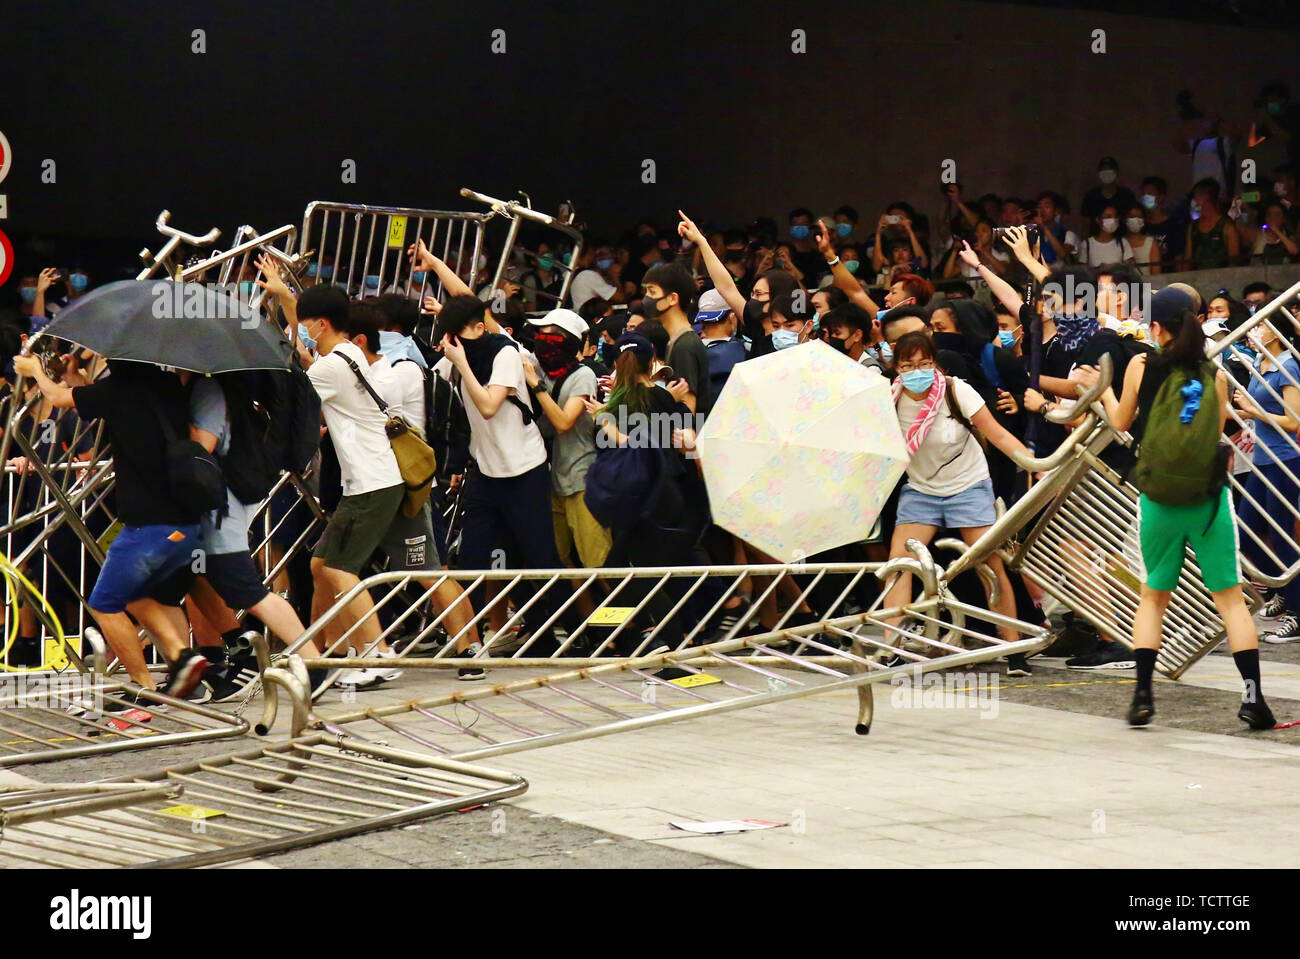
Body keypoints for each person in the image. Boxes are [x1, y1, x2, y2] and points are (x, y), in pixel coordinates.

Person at [1079, 301, 1275, 730]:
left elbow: (1121, 421)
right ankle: (1253, 700)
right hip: (1207, 501)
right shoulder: (1216, 377)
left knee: (1153, 597)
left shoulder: (1140, 365)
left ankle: (1143, 695)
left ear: (1155, 328)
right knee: (1230, 601)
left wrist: (1103, 389)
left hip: (1159, 498)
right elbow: (1221, 430)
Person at [13, 352, 209, 699]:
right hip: (184, 520)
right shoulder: (165, 385)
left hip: (146, 525)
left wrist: (35, 371)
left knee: (104, 602)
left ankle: (143, 685)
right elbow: (92, 398)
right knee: (138, 595)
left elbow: (59, 399)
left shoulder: (117, 390)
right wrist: (75, 376)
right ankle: (184, 663)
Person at [876, 331, 1034, 676]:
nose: (916, 371)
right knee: (899, 564)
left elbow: (997, 433)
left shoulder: (954, 390)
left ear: (935, 363)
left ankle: (1013, 648)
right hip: (921, 490)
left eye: (924, 364)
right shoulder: (888, 399)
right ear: (896, 368)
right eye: (908, 365)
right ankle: (891, 646)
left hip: (968, 485)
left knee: (987, 562)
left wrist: (1035, 466)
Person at [432, 294, 570, 655]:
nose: (452, 343)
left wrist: (460, 362)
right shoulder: (458, 356)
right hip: (485, 473)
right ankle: (468, 642)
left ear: (480, 328)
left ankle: (557, 631)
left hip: (525, 470)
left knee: (538, 554)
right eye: (448, 336)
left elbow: (490, 406)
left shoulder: (504, 353)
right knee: (474, 556)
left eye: (457, 335)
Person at [297, 286, 405, 688]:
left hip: (370, 482)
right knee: (321, 566)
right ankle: (340, 650)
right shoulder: (350, 352)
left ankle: (378, 653)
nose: (301, 331)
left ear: (321, 323)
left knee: (342, 571)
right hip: (371, 479)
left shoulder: (328, 368)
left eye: (304, 324)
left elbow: (296, 406)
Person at [521, 308, 611, 571]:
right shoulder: (541, 368)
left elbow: (563, 422)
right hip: (552, 481)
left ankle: (626, 612)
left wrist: (535, 386)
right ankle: (587, 612)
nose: (540, 338)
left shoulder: (582, 376)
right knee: (559, 562)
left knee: (598, 562)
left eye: (546, 334)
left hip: (581, 481)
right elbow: (493, 329)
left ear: (564, 340)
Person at [1230, 317, 1300, 645]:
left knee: (1282, 537)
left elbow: (1293, 420)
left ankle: (1298, 612)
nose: (1255, 328)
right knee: (1244, 533)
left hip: (1285, 461)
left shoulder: (1288, 365)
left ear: (1277, 331)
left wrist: (1254, 411)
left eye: (1262, 324)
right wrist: (1244, 412)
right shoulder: (1261, 361)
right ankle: (1284, 590)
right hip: (1261, 460)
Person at [1182, 178, 1240, 270]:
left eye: (1197, 197)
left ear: (1206, 198)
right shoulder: (1193, 227)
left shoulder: (1227, 227)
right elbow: (1187, 260)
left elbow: (1234, 263)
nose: (1194, 201)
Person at [1080, 156, 1139, 223]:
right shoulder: (1090, 196)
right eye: (1103, 170)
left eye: (1110, 170)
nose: (1107, 173)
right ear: (1099, 174)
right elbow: (1085, 222)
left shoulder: (1127, 195)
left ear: (1116, 173)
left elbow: (1133, 217)